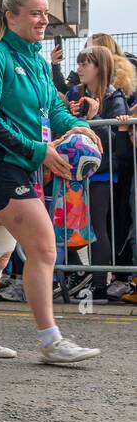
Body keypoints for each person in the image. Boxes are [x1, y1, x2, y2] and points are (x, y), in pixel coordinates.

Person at [0, 0, 101, 363]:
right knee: (43, 248)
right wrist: (40, 151)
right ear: (11, 17)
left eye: (45, 13)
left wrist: (77, 126)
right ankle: (50, 340)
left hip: (19, 165)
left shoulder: (37, 61)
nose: (44, 20)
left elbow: (52, 110)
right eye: (36, 13)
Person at [65, 46, 129, 301]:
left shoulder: (114, 98)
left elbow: (113, 142)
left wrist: (94, 118)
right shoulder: (80, 94)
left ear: (99, 68)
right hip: (79, 172)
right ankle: (80, 275)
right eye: (79, 63)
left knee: (97, 226)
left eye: (85, 64)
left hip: (102, 173)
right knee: (71, 223)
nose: (79, 68)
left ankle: (99, 284)